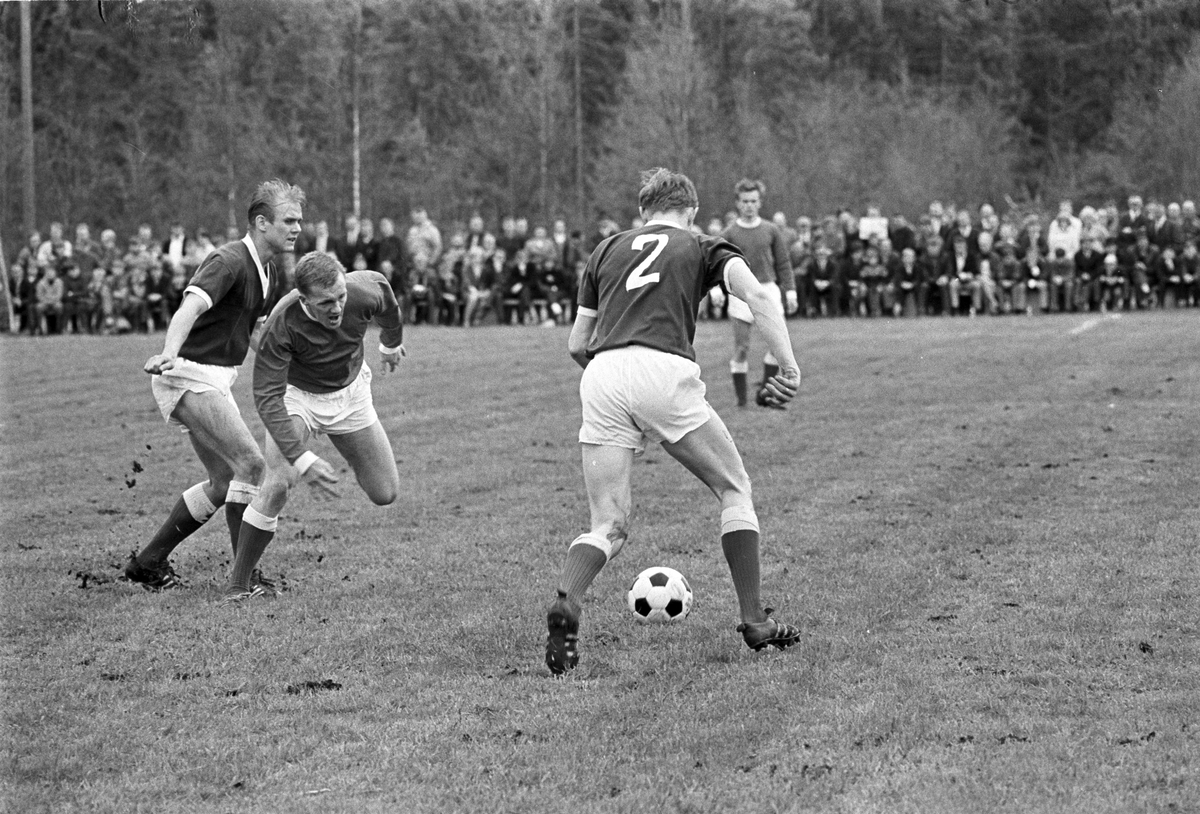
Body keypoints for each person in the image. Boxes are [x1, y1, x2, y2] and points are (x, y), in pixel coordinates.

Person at [543, 167, 802, 676]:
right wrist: (788, 365)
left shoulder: (607, 249)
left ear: (643, 213)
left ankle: (568, 599)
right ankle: (754, 620)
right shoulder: (704, 245)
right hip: (664, 368)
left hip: (603, 374)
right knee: (734, 488)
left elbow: (577, 343)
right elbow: (758, 297)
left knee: (609, 523)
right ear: (691, 211)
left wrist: (619, 394)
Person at [125, 179, 304, 591]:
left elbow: (251, 331)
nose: (297, 228)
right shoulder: (229, 260)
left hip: (213, 377)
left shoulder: (268, 269)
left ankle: (149, 562)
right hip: (189, 373)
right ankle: (244, 579)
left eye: (299, 220)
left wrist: (293, 368)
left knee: (225, 482)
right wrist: (170, 351)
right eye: (289, 220)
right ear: (262, 223)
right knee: (252, 465)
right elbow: (190, 306)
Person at [221, 252, 404, 603]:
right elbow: (268, 399)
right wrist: (302, 459)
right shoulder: (282, 323)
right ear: (304, 299)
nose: (336, 308)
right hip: (298, 397)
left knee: (385, 492)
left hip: (350, 394)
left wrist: (390, 344)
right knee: (279, 482)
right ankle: (238, 585)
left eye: (340, 297)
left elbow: (389, 306)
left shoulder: (365, 289)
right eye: (325, 303)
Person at [720, 179, 797, 407]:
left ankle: (765, 393)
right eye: (745, 201)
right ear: (737, 203)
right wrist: (716, 288)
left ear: (760, 203)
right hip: (741, 294)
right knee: (742, 348)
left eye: (753, 201)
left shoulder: (771, 230)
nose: (749, 206)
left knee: (777, 347)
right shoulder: (729, 233)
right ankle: (742, 401)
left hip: (768, 291)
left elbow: (783, 262)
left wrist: (790, 290)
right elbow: (716, 263)